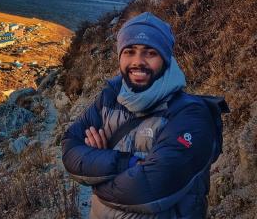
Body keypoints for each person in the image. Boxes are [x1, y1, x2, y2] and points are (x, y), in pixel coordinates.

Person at [62, 12, 227, 219]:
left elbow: (152, 187)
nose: (138, 62)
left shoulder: (191, 114)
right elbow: (70, 147)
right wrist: (128, 164)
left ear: (166, 59)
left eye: (150, 53)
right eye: (129, 51)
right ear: (120, 56)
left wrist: (96, 171)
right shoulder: (110, 97)